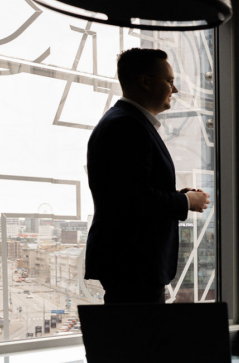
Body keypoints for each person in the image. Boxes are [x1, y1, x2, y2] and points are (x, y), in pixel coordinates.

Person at [85, 48, 210, 304]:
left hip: (131, 262)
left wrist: (179, 196)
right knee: (139, 341)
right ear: (144, 81)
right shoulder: (126, 126)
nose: (174, 90)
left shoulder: (126, 123)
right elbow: (135, 199)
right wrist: (186, 203)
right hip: (133, 262)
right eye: (170, 81)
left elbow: (130, 191)